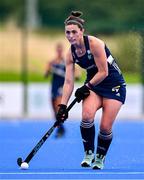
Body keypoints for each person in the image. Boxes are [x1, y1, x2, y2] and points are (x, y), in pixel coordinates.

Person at [56, 11, 126, 169]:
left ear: (82, 31)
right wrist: (63, 106)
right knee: (87, 116)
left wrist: (85, 87)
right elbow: (68, 81)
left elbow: (104, 72)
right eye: (68, 32)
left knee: (105, 127)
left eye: (74, 31)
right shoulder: (70, 54)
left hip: (113, 85)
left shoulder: (95, 44)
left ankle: (100, 157)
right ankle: (88, 153)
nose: (71, 35)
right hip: (94, 85)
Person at [44, 43, 66, 138]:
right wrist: (48, 70)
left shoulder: (66, 62)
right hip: (54, 87)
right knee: (54, 110)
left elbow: (76, 75)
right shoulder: (52, 62)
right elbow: (45, 75)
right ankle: (61, 127)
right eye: (58, 50)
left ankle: (61, 128)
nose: (59, 52)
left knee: (58, 108)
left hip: (61, 88)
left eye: (61, 50)